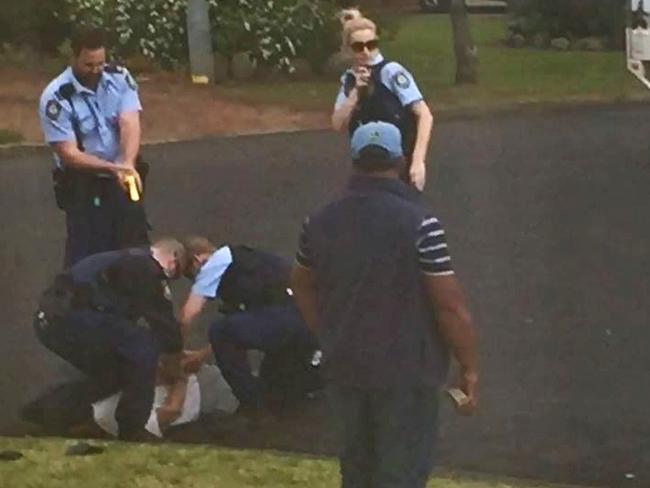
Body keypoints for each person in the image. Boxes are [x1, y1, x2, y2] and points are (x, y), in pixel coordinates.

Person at [290, 121, 478, 488]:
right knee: (401, 472)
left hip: (345, 364)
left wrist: (327, 332)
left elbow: (301, 285)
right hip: (406, 371)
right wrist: (468, 366)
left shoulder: (318, 222)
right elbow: (449, 306)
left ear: (354, 160)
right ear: (400, 159)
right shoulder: (421, 223)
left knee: (357, 470)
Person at [33, 238, 187, 441]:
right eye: (175, 275)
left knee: (114, 373)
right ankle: (132, 427)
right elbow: (162, 320)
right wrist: (175, 359)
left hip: (50, 321)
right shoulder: (144, 266)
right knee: (145, 346)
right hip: (76, 316)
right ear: (173, 261)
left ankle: (49, 410)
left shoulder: (120, 259)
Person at [38, 26, 149, 267]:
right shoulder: (56, 97)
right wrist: (113, 169)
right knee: (88, 257)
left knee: (136, 248)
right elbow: (68, 154)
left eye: (100, 62)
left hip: (122, 176)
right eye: (89, 65)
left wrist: (127, 163)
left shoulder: (119, 78)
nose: (96, 70)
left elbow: (130, 122)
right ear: (74, 57)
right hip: (84, 183)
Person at [178, 237, 321, 414]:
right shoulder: (245, 268)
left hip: (292, 318)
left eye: (189, 274)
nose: (193, 281)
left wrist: (173, 356)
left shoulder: (216, 262)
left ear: (198, 259)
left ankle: (251, 406)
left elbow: (188, 314)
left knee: (220, 330)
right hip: (306, 322)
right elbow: (239, 332)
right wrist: (201, 356)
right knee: (275, 391)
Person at [331, 14, 434, 191]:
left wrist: (418, 161)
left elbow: (424, 114)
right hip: (365, 164)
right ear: (349, 49)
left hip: (397, 161)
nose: (366, 51)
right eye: (358, 47)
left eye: (371, 45)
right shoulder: (348, 80)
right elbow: (337, 125)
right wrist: (355, 94)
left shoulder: (391, 72)